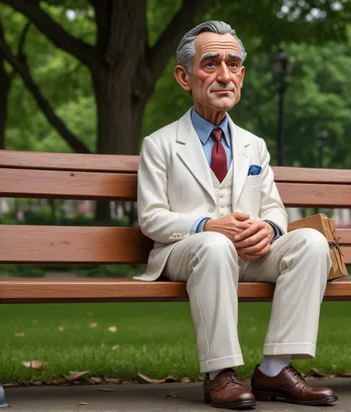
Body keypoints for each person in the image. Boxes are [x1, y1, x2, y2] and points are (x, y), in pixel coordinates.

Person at [135, 20, 337, 409]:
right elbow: (152, 219)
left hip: (248, 254)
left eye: (233, 64)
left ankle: (276, 369)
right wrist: (207, 225)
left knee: (312, 242)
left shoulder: (254, 145)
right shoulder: (158, 144)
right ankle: (220, 374)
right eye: (210, 64)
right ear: (184, 76)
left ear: (242, 75)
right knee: (213, 246)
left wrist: (271, 228)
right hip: (186, 252)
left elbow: (274, 206)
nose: (223, 75)